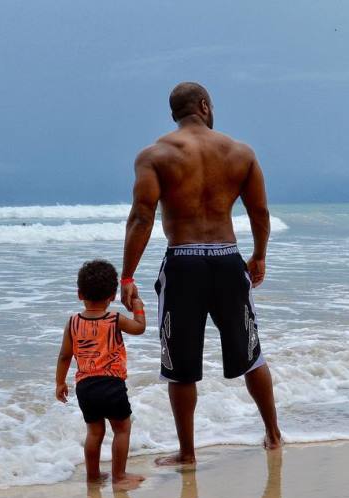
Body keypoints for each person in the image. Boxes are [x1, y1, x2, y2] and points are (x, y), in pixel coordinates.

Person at [120, 81, 282, 466]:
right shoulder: (240, 152)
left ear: (174, 113)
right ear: (205, 106)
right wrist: (259, 256)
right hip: (228, 259)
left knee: (180, 365)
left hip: (183, 263)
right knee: (252, 355)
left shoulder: (155, 155)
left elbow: (142, 216)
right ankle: (274, 435)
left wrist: (127, 277)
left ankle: (188, 453)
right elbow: (259, 213)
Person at [55, 259, 146, 489]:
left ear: (79, 294)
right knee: (122, 429)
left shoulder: (73, 322)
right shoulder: (114, 319)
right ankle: (119, 476)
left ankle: (93, 476)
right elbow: (139, 327)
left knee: (94, 432)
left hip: (85, 386)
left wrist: (59, 383)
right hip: (112, 385)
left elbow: (65, 356)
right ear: (113, 296)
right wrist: (137, 304)